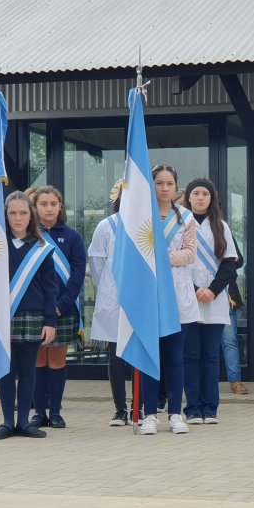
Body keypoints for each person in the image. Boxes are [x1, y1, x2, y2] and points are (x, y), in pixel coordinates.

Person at [0, 191, 57, 440]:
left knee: (28, 369)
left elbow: (50, 288)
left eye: (23, 213)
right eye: (13, 213)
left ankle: (24, 421)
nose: (18, 218)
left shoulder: (41, 248)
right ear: (5, 216)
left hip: (32, 314)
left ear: (31, 216)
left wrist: (50, 322)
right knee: (6, 369)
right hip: (2, 316)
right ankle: (7, 421)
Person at [138, 165, 198, 435]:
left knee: (175, 357)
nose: (164, 188)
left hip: (177, 294)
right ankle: (150, 414)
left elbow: (190, 253)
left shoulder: (185, 217)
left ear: (176, 186)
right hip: (148, 294)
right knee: (151, 357)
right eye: (159, 183)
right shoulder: (141, 217)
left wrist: (162, 258)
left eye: (169, 183)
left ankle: (175, 413)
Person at [29, 186, 86, 430]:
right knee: (38, 360)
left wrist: (61, 305)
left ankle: (55, 412)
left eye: (53, 204)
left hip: (63, 309)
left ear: (60, 206)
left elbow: (78, 275)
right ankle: (38, 412)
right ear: (35, 207)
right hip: (36, 309)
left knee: (56, 360)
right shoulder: (29, 235)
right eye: (44, 204)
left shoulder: (72, 237)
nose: (49, 208)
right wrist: (41, 307)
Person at [182, 177, 237, 424]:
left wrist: (212, 290)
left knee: (211, 356)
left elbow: (229, 264)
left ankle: (210, 408)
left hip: (214, 299)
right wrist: (195, 290)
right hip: (188, 298)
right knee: (190, 355)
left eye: (205, 194)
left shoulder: (221, 226)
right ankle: (193, 408)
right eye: (196, 193)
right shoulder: (180, 225)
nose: (201, 198)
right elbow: (176, 263)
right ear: (188, 197)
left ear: (212, 198)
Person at [89, 181, 136, 426]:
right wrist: (108, 288)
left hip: (140, 300)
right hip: (113, 298)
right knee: (116, 357)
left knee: (139, 355)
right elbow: (97, 263)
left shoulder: (146, 224)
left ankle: (138, 406)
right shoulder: (106, 226)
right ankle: (120, 409)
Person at [221, 235, 247, 395]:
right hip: (200, 294)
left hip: (225, 294)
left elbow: (239, 260)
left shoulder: (222, 230)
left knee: (229, 340)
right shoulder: (190, 229)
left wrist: (223, 262)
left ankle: (235, 380)